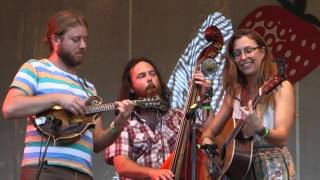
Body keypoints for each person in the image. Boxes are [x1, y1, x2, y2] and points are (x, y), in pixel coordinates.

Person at [2, 10, 134, 180]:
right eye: (76, 39)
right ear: (56, 40)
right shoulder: (35, 68)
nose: (83, 45)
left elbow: (97, 142)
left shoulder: (89, 89)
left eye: (85, 39)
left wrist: (118, 125)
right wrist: (57, 98)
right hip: (44, 170)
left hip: (82, 174)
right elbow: (10, 108)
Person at [201, 29, 296, 179]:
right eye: (237, 54)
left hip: (272, 167)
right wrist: (207, 140)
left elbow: (282, 138)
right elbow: (209, 133)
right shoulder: (234, 92)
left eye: (249, 50)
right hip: (239, 170)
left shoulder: (280, 87)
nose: (243, 57)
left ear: (262, 52)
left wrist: (261, 129)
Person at [105, 57, 207, 180]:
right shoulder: (123, 124)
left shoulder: (179, 117)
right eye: (142, 76)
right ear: (131, 87)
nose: (149, 78)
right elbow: (122, 165)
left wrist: (205, 97)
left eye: (152, 74)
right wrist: (152, 173)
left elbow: (208, 134)